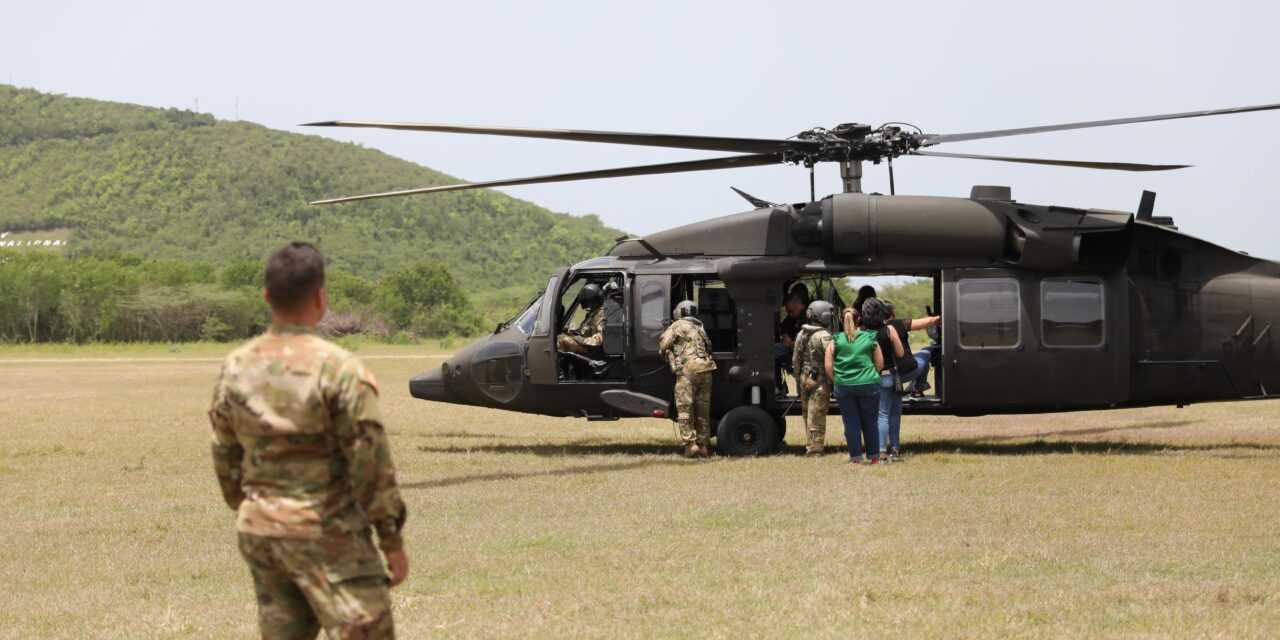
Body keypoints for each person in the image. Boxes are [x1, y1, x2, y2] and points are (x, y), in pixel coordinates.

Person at [208, 242, 408, 639]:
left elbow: (225, 455)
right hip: (328, 534)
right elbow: (370, 462)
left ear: (267, 298)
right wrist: (391, 539)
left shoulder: (235, 367)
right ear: (320, 298)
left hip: (263, 533)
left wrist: (256, 507)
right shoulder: (340, 369)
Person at [878, 301, 941, 460]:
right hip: (906, 373)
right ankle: (919, 386)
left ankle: (881, 451)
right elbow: (926, 321)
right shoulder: (900, 324)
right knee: (926, 353)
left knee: (883, 414)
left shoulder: (873, 329)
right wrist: (940, 317)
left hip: (884, 375)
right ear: (892, 312)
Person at [826, 307, 884, 464]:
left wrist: (838, 380)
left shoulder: (835, 339)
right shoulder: (870, 337)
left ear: (841, 321)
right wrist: (870, 375)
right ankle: (874, 459)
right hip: (868, 384)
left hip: (844, 386)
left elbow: (828, 366)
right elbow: (879, 363)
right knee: (870, 423)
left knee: (851, 423)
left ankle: (856, 460)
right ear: (860, 320)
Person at [659, 300, 717, 458]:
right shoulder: (700, 327)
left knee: (685, 408)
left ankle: (690, 445)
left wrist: (668, 354)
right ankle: (703, 446)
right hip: (706, 369)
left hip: (688, 370)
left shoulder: (677, 325)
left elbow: (664, 345)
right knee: (703, 409)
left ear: (679, 312)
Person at [792, 300, 836, 456]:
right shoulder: (824, 336)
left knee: (807, 414)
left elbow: (795, 359)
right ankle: (815, 450)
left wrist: (798, 378)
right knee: (817, 415)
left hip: (804, 378)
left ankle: (810, 444)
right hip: (820, 380)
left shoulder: (801, 333)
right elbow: (833, 358)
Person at [773, 287, 809, 394]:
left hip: (805, 352)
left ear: (801, 305)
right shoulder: (792, 317)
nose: (790, 314)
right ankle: (777, 387)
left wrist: (794, 343)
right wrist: (784, 335)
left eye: (791, 311)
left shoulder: (809, 317)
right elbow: (784, 326)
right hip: (790, 350)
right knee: (771, 352)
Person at [557, 283, 605, 354]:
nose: (586, 305)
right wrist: (572, 333)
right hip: (586, 346)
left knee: (560, 339)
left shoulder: (601, 315)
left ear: (593, 301)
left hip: (591, 350)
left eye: (587, 302)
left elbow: (599, 340)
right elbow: (585, 331)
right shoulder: (593, 313)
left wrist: (582, 340)